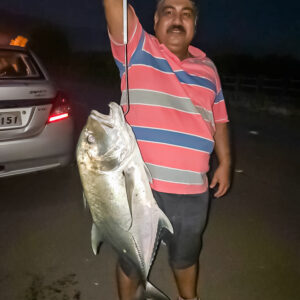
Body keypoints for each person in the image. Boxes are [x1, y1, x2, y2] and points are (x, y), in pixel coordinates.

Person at [102, 0, 231, 299]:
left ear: (194, 26)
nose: (177, 19)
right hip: (139, 189)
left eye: (186, 14)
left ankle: (190, 298)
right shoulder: (136, 50)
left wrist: (224, 161)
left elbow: (220, 120)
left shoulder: (209, 68)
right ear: (156, 21)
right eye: (168, 12)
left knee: (186, 255)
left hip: (193, 191)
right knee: (130, 260)